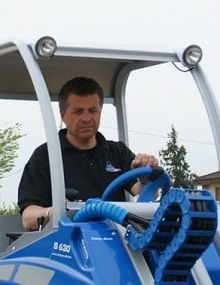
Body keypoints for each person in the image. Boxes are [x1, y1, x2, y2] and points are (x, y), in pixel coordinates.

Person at [17, 76, 158, 230]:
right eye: (78, 112)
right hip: (64, 244)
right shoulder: (46, 156)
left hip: (115, 239)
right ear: (63, 115)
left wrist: (145, 178)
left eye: (92, 111)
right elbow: (28, 218)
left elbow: (143, 195)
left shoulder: (118, 152)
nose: (86, 118)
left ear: (100, 112)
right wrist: (57, 211)